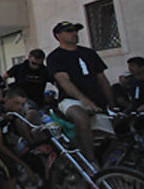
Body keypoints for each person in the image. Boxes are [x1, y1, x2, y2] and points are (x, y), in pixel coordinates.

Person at [46, 21, 114, 161]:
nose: (74, 34)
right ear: (58, 36)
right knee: (80, 118)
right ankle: (89, 162)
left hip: (96, 101)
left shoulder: (89, 53)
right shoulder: (55, 56)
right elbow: (64, 81)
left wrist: (112, 103)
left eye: (75, 30)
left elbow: (102, 80)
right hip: (71, 100)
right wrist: (83, 100)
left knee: (111, 137)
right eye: (69, 31)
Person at [0, 87, 39, 189]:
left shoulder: (14, 116)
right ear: (6, 100)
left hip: (9, 146)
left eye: (22, 104)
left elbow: (26, 137)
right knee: (10, 168)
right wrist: (26, 167)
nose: (20, 107)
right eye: (16, 103)